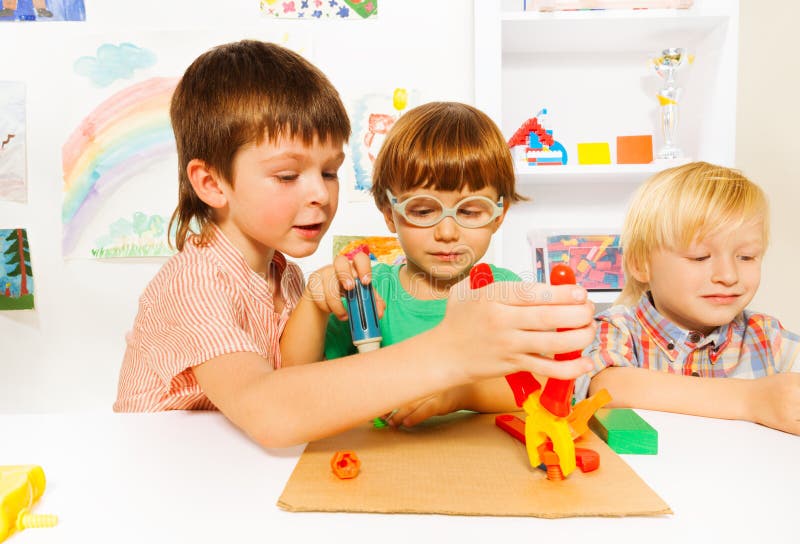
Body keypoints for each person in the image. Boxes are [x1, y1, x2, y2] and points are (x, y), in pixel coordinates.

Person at [114, 40, 596, 448]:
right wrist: (450, 355)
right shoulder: (194, 282)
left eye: (329, 172)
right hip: (161, 479)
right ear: (212, 183)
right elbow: (269, 409)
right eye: (287, 175)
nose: (321, 194)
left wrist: (313, 303)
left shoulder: (282, 274)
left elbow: (300, 386)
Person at [286, 101, 538, 428]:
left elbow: (545, 389)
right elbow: (293, 383)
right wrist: (313, 301)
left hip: (480, 466)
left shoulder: (507, 294)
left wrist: (459, 394)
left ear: (498, 216)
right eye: (422, 211)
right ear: (390, 214)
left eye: (470, 211)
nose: (447, 232)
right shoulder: (365, 292)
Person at [574, 161, 800, 434]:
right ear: (640, 264)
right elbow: (609, 388)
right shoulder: (619, 328)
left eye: (747, 257)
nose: (728, 276)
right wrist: (751, 400)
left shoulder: (767, 336)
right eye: (700, 257)